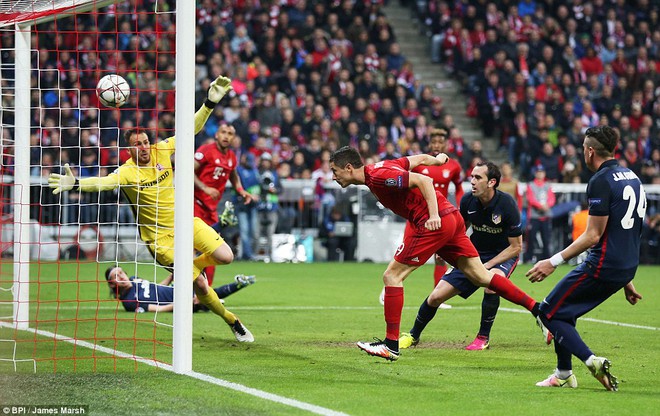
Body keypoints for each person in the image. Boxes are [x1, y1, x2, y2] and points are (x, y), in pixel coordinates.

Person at [48, 75, 254, 343]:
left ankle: (191, 266)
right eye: (137, 144)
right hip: (160, 241)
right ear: (129, 149)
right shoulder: (126, 172)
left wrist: (209, 103)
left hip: (184, 223)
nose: (143, 147)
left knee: (226, 256)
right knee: (200, 284)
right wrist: (75, 183)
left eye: (145, 142)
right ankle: (232, 321)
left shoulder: (161, 150)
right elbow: (102, 183)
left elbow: (190, 129)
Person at [329, 146, 540, 361]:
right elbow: (417, 159)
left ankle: (391, 345)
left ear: (348, 168)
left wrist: (432, 215)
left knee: (392, 276)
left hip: (432, 222)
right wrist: (437, 160)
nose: (334, 176)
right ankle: (538, 310)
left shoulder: (380, 176)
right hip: (451, 218)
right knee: (482, 277)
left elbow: (424, 181)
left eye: (335, 171)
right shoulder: (381, 167)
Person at [527, 125, 645, 391]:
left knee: (548, 312)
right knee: (565, 311)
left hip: (602, 265)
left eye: (583, 149)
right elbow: (631, 230)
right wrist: (626, 278)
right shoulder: (633, 177)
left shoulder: (600, 181)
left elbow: (593, 236)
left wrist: (552, 262)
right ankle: (563, 373)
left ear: (590, 151)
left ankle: (592, 361)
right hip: (625, 265)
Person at [399, 161, 523, 351]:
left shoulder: (507, 204)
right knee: (435, 297)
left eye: (477, 177)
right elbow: (459, 229)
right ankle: (413, 335)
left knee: (492, 284)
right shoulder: (467, 201)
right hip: (473, 254)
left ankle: (483, 337)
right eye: (471, 176)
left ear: (491, 182)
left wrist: (488, 265)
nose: (472, 181)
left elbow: (516, 247)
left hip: (502, 256)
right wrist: (445, 248)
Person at [379, 128, 462, 307]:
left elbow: (459, 187)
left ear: (446, 144)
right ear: (430, 143)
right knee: (406, 252)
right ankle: (390, 285)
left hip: (440, 214)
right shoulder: (420, 162)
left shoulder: (454, 166)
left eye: (440, 142)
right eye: (434, 142)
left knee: (440, 257)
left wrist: (460, 206)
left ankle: (436, 296)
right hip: (417, 215)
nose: (437, 145)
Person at [193, 122, 254, 285]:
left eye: (230, 133)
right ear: (217, 135)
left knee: (213, 249)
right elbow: (188, 170)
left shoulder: (232, 157)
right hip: (195, 205)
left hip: (211, 209)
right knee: (191, 249)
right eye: (223, 132)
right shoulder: (206, 151)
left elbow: (233, 176)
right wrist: (205, 188)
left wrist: (241, 190)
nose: (227, 136)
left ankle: (206, 291)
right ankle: (180, 286)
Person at [104, 266, 256, 313]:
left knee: (203, 286)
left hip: (175, 288)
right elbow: (158, 309)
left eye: (121, 272)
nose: (122, 276)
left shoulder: (134, 279)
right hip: (179, 300)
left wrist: (171, 276)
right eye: (116, 276)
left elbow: (158, 287)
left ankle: (240, 284)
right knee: (205, 293)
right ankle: (237, 285)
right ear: (112, 284)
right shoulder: (129, 301)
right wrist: (184, 303)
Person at [525, 164, 555, 263]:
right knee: (531, 238)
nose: (540, 174)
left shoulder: (547, 185)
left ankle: (547, 258)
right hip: (534, 215)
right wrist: (540, 206)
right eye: (538, 172)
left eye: (541, 172)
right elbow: (530, 199)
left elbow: (552, 198)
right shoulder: (531, 185)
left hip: (546, 215)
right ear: (535, 173)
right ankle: (529, 257)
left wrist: (547, 206)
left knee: (546, 238)